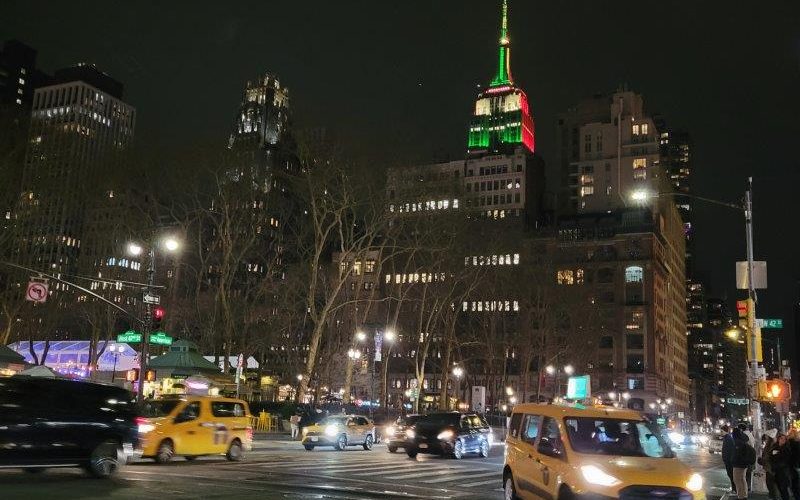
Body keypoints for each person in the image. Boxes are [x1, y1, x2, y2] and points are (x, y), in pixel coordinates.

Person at [769, 433, 799, 500]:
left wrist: (776, 463)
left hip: (783, 473)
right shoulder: (774, 447)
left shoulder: (786, 449)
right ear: (778, 439)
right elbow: (770, 458)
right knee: (780, 489)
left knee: (784, 490)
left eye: (784, 439)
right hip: (776, 472)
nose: (783, 440)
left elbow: (785, 461)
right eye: (781, 438)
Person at [732, 427, 757, 499]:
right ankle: (744, 495)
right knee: (742, 479)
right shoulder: (743, 440)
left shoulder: (737, 442)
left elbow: (737, 454)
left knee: (737, 480)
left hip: (738, 465)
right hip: (744, 464)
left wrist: (733, 460)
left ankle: (741, 496)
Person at [761, 430, 779, 500]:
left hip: (771, 468)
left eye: (766, 436)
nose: (765, 438)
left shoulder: (772, 445)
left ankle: (774, 497)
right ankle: (772, 496)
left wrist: (763, 460)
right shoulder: (769, 445)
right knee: (769, 483)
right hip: (768, 467)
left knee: (772, 484)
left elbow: (770, 456)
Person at [722, 425, 737, 493]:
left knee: (731, 475)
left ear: (725, 431)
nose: (721, 432)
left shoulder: (728, 438)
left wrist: (727, 459)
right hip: (728, 460)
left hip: (729, 461)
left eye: (722, 431)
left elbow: (729, 450)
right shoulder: (727, 438)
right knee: (730, 475)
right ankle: (734, 489)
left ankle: (734, 489)